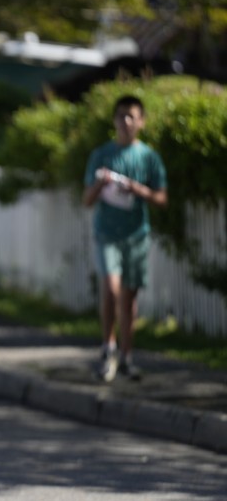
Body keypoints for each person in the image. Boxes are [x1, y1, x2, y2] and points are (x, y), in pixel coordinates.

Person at [82, 95, 167, 383]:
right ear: (114, 120)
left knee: (129, 298)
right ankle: (108, 349)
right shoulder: (102, 155)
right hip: (107, 233)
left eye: (132, 116)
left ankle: (127, 357)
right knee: (111, 288)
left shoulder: (149, 158)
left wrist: (137, 189)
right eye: (121, 116)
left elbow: (162, 199)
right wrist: (101, 183)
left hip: (136, 235)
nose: (126, 121)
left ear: (141, 121)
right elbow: (87, 200)